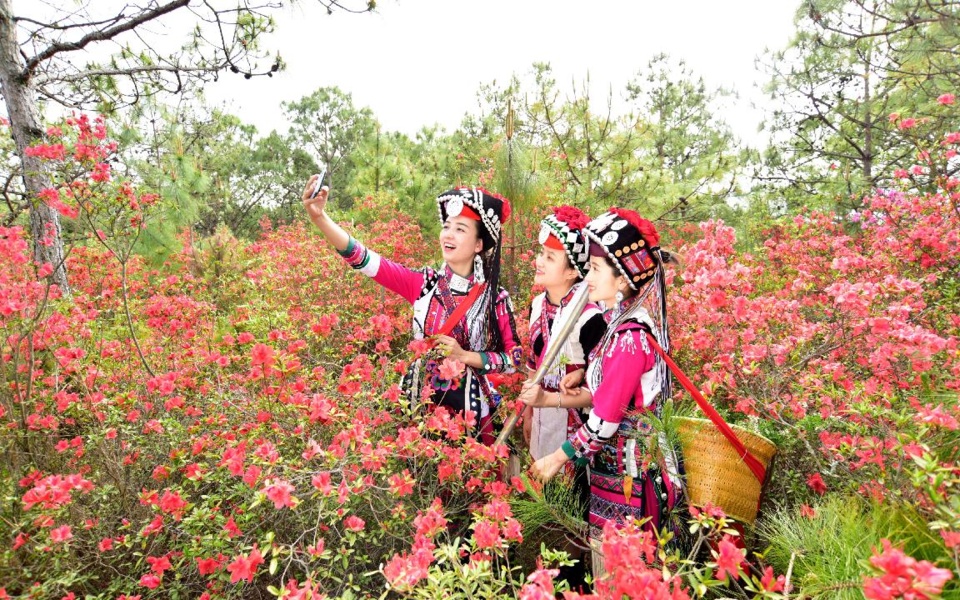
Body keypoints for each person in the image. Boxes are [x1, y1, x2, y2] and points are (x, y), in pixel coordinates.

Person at [302, 178, 523, 443]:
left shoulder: (495, 298)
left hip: (471, 412)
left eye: (460, 229)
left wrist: (465, 356)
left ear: (478, 244)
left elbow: (513, 360)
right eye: (446, 226)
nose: (448, 234)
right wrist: (320, 218)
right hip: (418, 404)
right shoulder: (424, 284)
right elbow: (365, 259)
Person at [529, 207, 683, 574]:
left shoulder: (630, 336)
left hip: (631, 474)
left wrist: (557, 458)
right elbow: (615, 388)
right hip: (617, 469)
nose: (588, 277)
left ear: (622, 279)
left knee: (627, 572)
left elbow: (605, 420)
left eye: (596, 269)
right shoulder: (619, 324)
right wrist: (585, 375)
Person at [519, 205, 604, 460]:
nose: (539, 261)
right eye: (541, 253)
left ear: (572, 271)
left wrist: (548, 398)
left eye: (550, 257)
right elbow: (533, 363)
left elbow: (599, 390)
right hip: (540, 418)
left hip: (576, 431)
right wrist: (528, 412)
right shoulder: (537, 305)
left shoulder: (590, 317)